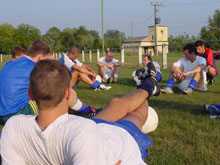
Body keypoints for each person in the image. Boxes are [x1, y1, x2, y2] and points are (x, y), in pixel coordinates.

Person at [0, 59, 160, 164]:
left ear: (30, 94)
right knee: (138, 112)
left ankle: (148, 85)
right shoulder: (82, 131)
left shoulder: (12, 127)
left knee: (116, 103)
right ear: (68, 93)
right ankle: (147, 87)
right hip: (120, 143)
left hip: (89, 130)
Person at [0, 41, 97, 128]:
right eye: (46, 59)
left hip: (3, 111)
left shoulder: (11, 63)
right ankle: (87, 111)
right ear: (40, 57)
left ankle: (73, 110)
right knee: (57, 93)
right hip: (13, 113)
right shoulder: (35, 67)